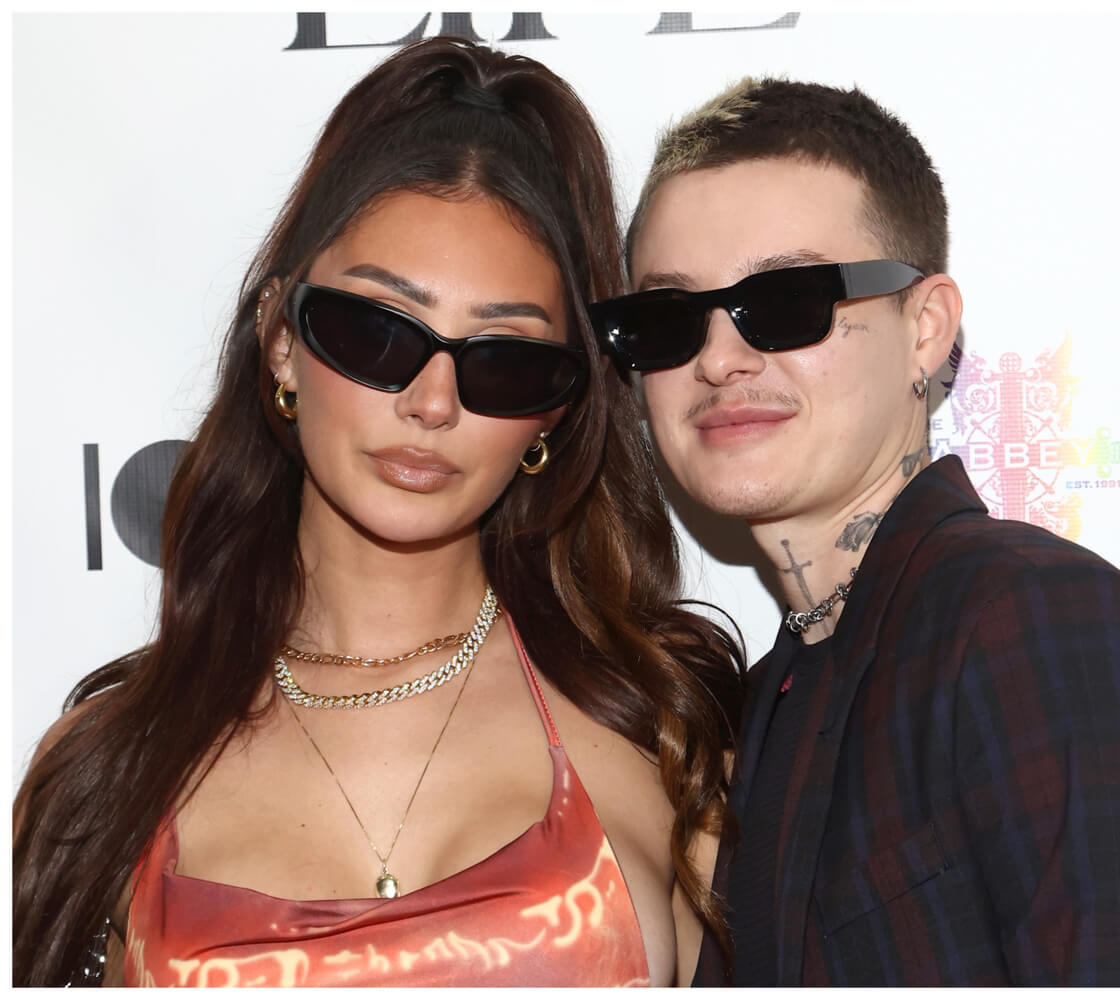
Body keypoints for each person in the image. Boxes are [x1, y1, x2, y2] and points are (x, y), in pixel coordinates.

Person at [12, 38, 744, 988]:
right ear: (280, 340)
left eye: (502, 360)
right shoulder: (106, 770)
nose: (432, 403)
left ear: (553, 411)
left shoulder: (665, 734)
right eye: (376, 330)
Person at [591, 78, 1120, 985]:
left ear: (926, 330)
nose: (717, 359)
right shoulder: (751, 714)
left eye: (786, 302)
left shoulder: (1038, 623)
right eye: (668, 320)